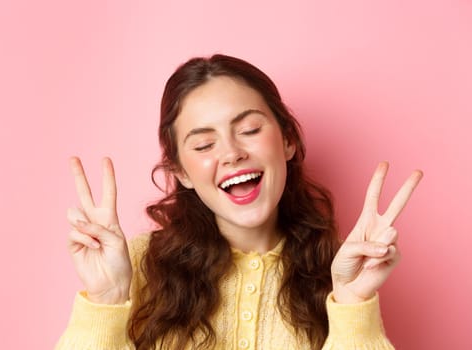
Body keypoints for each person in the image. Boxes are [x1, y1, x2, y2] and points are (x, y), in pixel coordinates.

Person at [56, 54, 423, 350]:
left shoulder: (339, 270)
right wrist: (105, 302)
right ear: (181, 172)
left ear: (288, 141)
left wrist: (353, 305)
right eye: (203, 145)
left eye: (249, 130)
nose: (231, 153)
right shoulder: (136, 265)